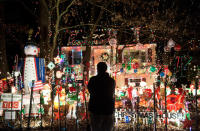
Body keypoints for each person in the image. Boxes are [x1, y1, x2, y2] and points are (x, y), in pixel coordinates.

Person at [88, 62, 115, 131]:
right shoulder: (111, 81)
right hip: (108, 109)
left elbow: (90, 91)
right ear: (106, 69)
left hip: (95, 108)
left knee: (96, 128)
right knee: (107, 128)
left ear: (97, 69)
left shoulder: (93, 80)